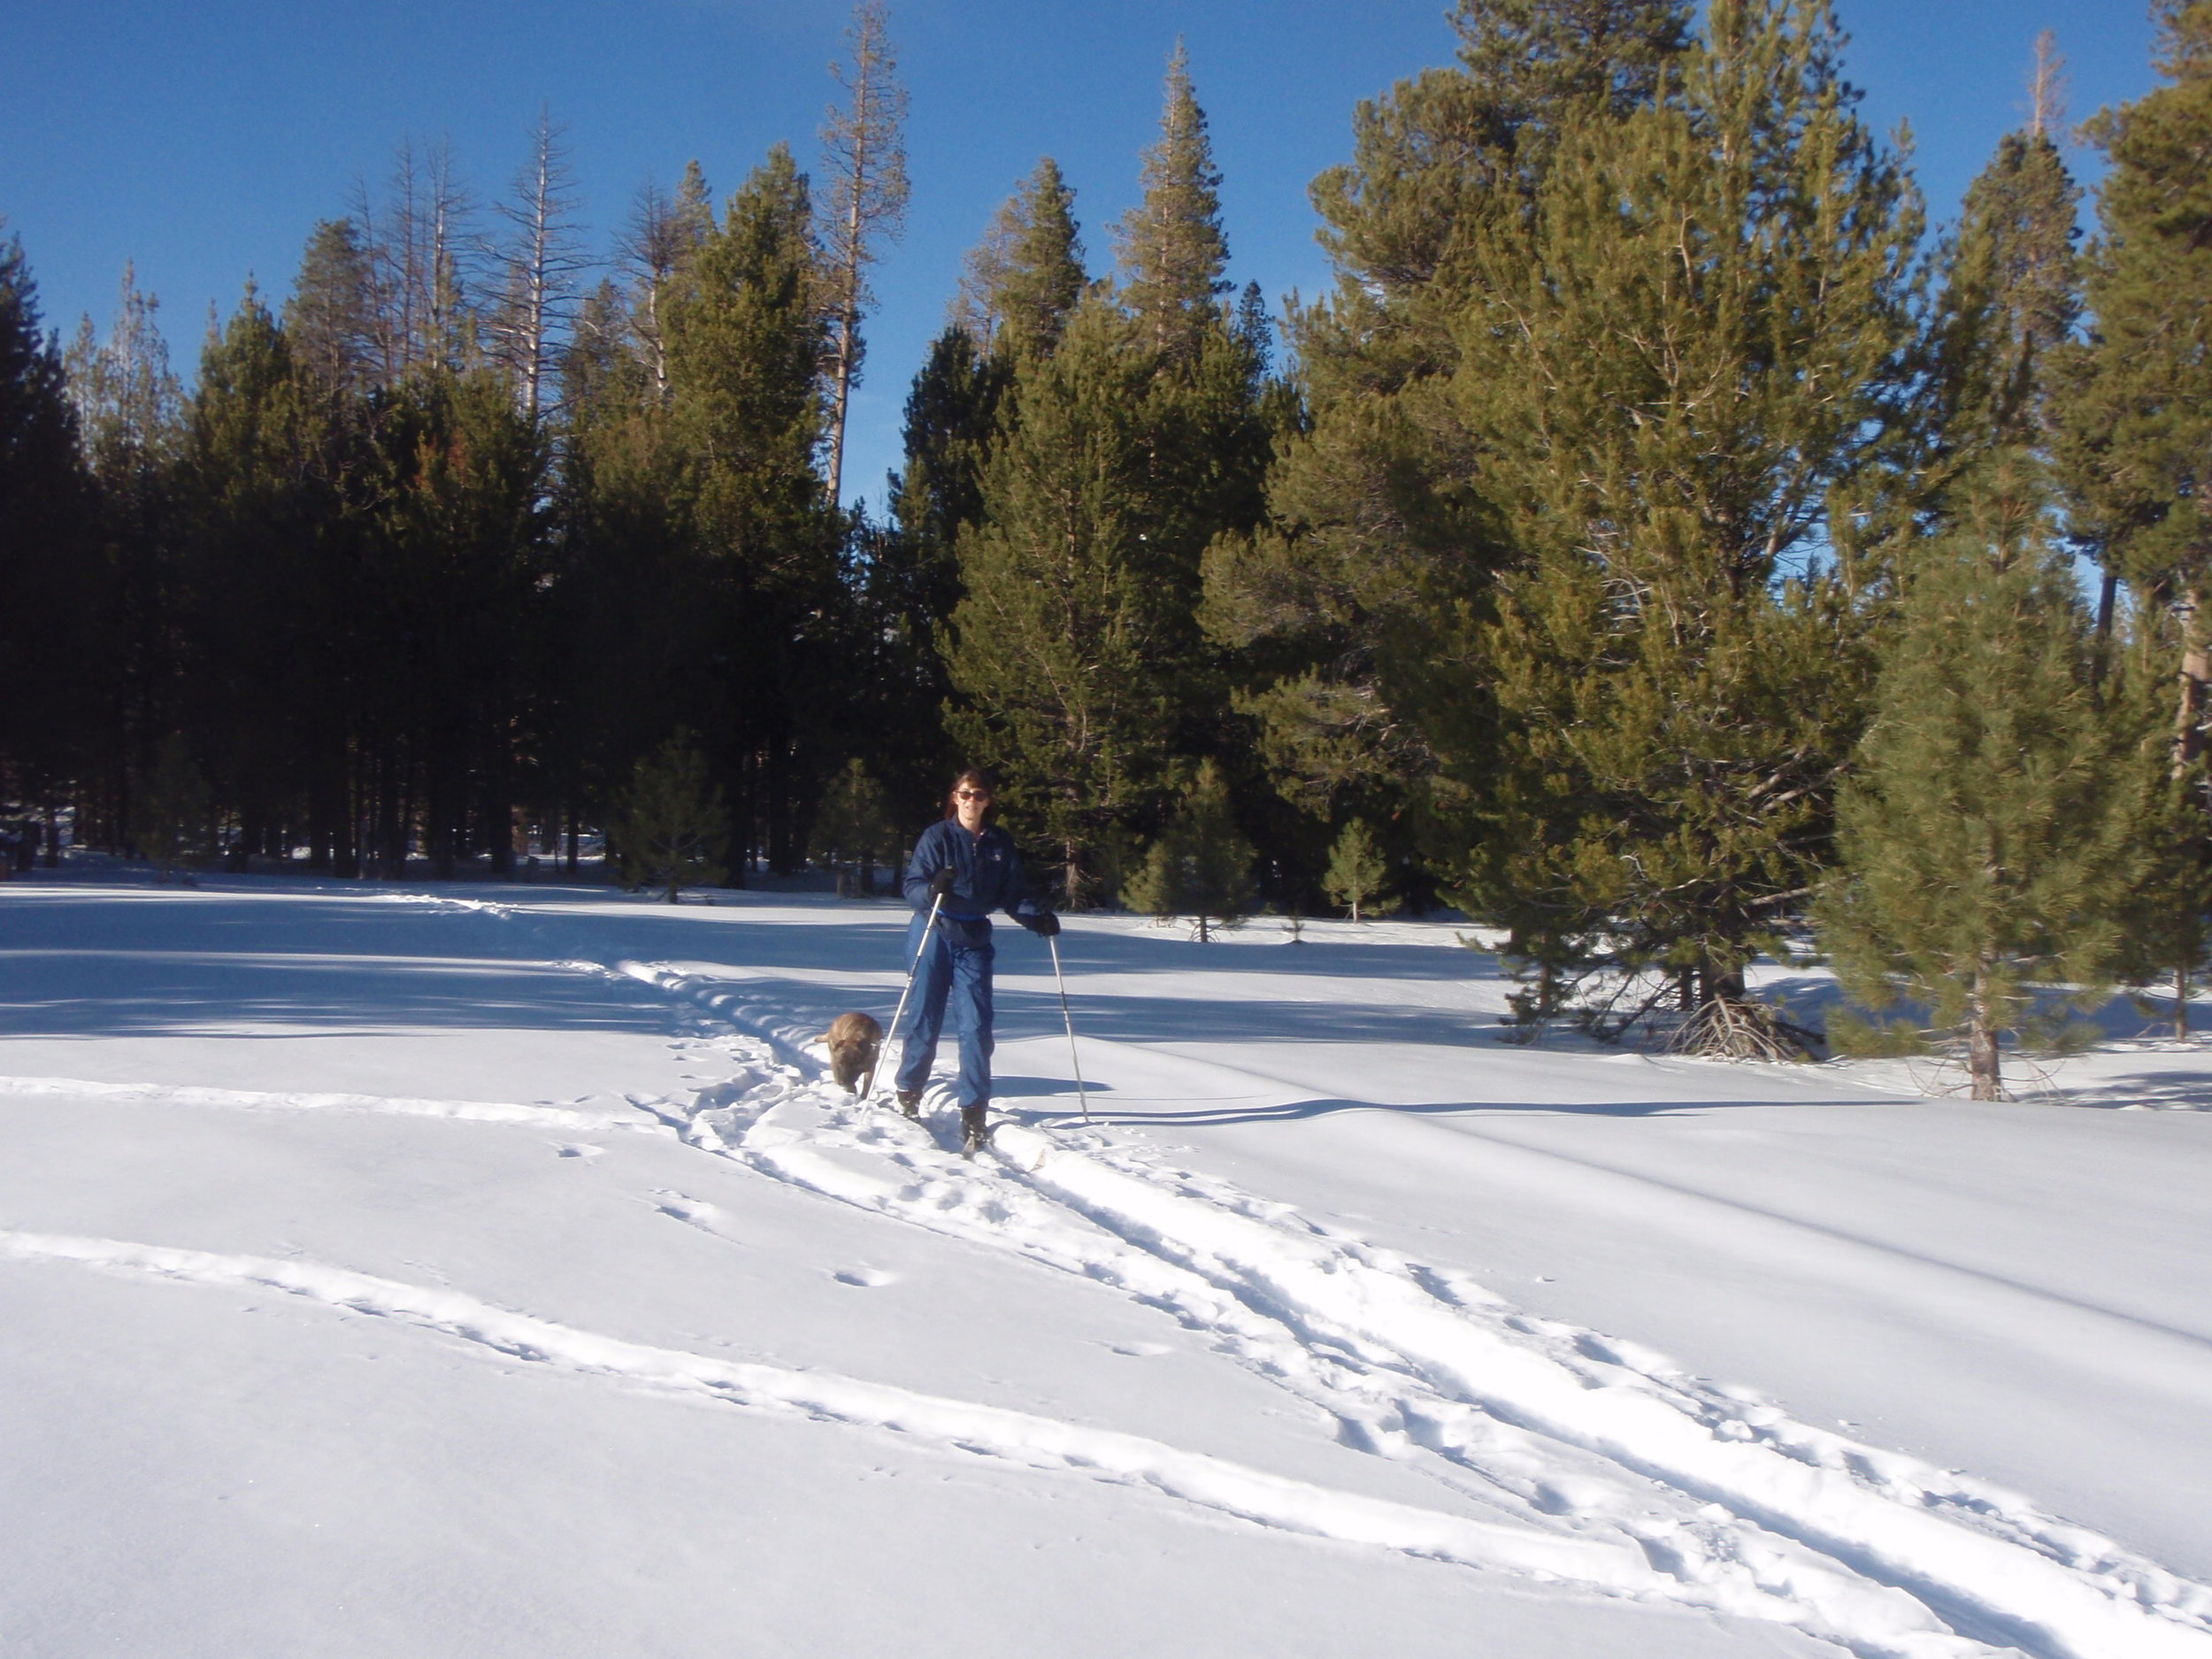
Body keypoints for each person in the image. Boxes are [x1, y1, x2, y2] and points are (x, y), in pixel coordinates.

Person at [895, 767, 1059, 1156]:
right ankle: (909, 1089)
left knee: (976, 1025)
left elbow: (1013, 893)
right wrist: (932, 888)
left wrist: (1035, 917)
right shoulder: (937, 836)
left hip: (974, 937)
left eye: (980, 795)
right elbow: (913, 885)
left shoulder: (999, 842)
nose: (972, 801)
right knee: (924, 1015)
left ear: (989, 800)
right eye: (965, 794)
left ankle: (973, 1107)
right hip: (934, 930)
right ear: (955, 797)